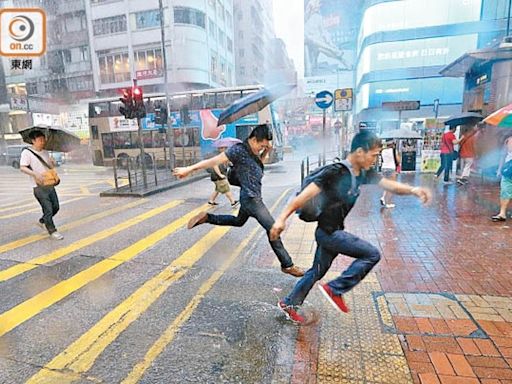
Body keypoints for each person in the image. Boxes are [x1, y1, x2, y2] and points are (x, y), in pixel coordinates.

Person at [270, 131, 432, 324]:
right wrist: (281, 219)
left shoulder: (363, 173)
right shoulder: (336, 172)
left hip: (331, 231)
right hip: (329, 234)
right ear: (360, 152)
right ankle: (335, 289)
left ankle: (289, 303)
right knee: (371, 254)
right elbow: (303, 196)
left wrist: (414, 190)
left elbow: (391, 186)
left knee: (316, 272)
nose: (375, 160)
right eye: (374, 155)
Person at [173, 124, 304, 277]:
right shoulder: (238, 150)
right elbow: (213, 161)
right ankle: (287, 264)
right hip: (251, 199)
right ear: (254, 139)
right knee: (273, 229)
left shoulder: (253, 153)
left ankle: (207, 217)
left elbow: (257, 166)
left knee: (238, 221)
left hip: (249, 197)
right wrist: (188, 169)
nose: (262, 149)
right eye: (261, 145)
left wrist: (265, 151)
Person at [19, 130, 64, 240]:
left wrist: (52, 163)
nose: (43, 142)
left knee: (56, 207)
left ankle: (43, 221)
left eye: (44, 139)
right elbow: (22, 167)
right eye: (40, 140)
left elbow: (48, 167)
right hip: (38, 186)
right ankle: (52, 231)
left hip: (49, 183)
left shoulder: (45, 152)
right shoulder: (27, 153)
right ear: (33, 141)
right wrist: (35, 174)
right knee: (48, 209)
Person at [491, 135, 512, 222]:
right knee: (505, 191)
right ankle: (502, 213)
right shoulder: (509, 140)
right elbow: (503, 156)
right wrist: (499, 169)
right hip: (508, 170)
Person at [379, 140, 401, 208]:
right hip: (391, 168)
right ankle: (388, 203)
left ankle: (383, 198)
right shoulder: (394, 151)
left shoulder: (383, 151)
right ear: (392, 144)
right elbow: (398, 160)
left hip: (384, 168)